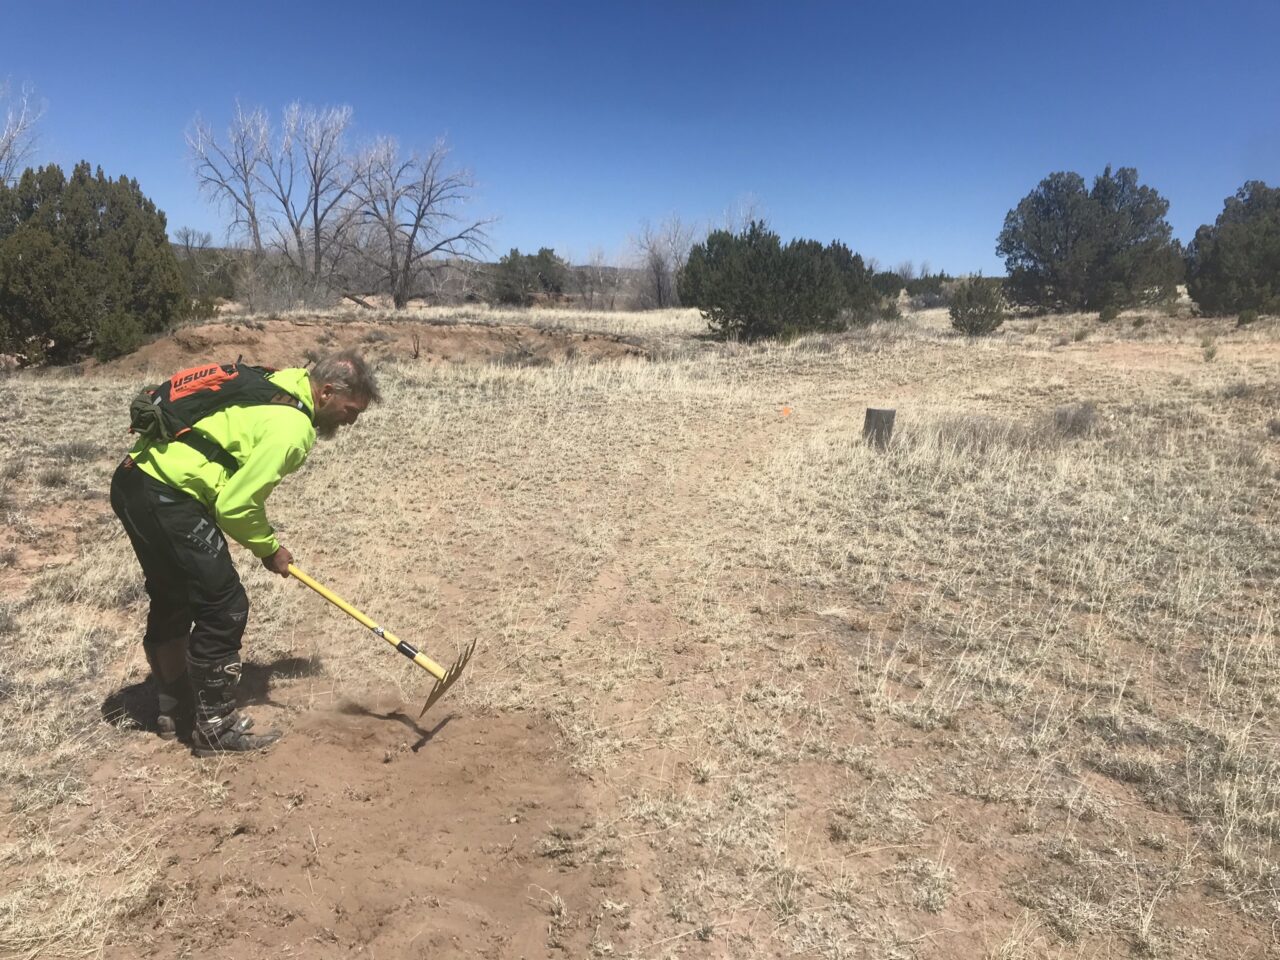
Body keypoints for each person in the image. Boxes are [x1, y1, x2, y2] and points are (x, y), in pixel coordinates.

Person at [110, 351, 381, 755]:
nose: (351, 421)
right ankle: (214, 728)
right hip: (168, 496)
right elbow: (235, 506)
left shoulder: (279, 381)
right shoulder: (293, 429)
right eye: (351, 410)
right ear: (326, 393)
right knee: (224, 605)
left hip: (134, 481)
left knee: (173, 596)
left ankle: (175, 710)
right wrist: (270, 548)